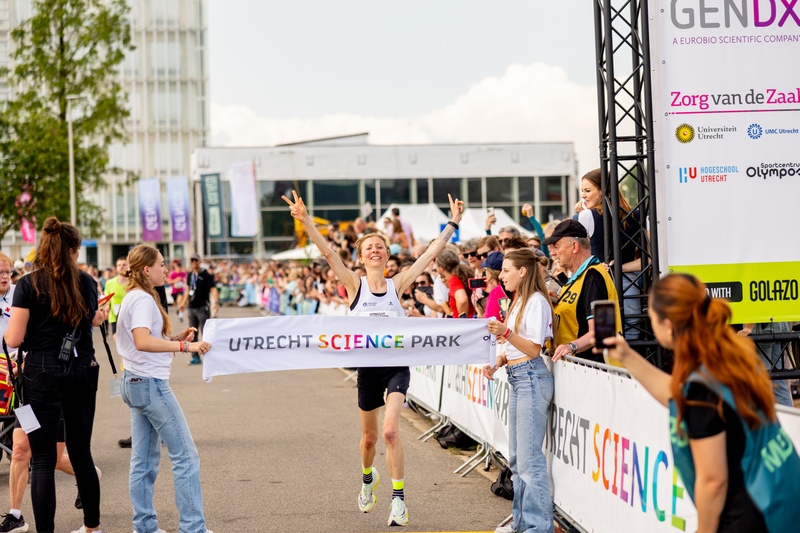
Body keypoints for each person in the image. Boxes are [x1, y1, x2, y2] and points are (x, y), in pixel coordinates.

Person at [284, 189, 463, 527]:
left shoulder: (398, 284)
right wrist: (305, 219)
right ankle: (368, 478)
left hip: (396, 367)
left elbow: (429, 254)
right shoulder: (355, 284)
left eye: (380, 246)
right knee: (369, 439)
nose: (376, 250)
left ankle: (398, 502)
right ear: (362, 258)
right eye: (369, 248)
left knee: (391, 431)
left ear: (386, 254)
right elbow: (327, 252)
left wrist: (452, 222)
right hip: (368, 370)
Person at [603, 274, 800, 533]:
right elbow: (679, 394)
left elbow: (713, 481)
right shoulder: (724, 355)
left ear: (668, 326)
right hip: (781, 498)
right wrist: (628, 357)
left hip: (754, 514)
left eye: (651, 316)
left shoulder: (701, 387)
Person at [4, 217, 108, 533]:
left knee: (45, 459)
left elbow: (13, 339)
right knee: (81, 453)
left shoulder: (28, 284)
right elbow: (89, 320)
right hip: (81, 370)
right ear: (74, 251)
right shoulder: (87, 282)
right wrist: (97, 316)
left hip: (41, 373)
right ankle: (92, 526)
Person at [116, 245, 213, 533]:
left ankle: (144, 527)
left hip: (135, 381)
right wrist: (185, 345)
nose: (166, 269)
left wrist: (173, 338)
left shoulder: (136, 297)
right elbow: (143, 341)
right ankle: (193, 528)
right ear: (147, 269)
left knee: (144, 461)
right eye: (161, 264)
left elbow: (144, 340)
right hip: (148, 384)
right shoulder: (143, 299)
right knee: (185, 456)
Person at [483, 249, 555, 533]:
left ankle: (538, 527)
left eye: (507, 271)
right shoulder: (520, 301)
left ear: (522, 272)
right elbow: (516, 347)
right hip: (519, 377)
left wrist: (506, 333)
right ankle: (523, 523)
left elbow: (534, 349)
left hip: (530, 379)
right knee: (517, 459)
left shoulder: (536, 301)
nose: (502, 276)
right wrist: (499, 361)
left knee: (528, 460)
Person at [574, 168, 644, 339]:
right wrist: (620, 267)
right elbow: (647, 261)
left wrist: (577, 214)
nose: (583, 195)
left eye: (588, 190)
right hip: (631, 285)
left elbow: (572, 250)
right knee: (632, 340)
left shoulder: (586, 216)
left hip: (601, 288)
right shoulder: (636, 215)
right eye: (582, 191)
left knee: (607, 342)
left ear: (602, 191)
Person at [543, 219, 621, 364]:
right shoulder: (581, 276)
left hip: (596, 370)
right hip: (580, 369)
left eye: (557, 246)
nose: (553, 253)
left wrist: (572, 346)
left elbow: (602, 330)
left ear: (574, 246)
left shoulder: (594, 277)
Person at [180, 254, 218, 365]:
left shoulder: (206, 274)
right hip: (192, 307)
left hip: (202, 307)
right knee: (193, 333)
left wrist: (215, 302)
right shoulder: (190, 275)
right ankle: (195, 356)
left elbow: (213, 289)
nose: (194, 262)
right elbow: (188, 290)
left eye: (196, 260)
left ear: (200, 261)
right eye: (192, 260)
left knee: (205, 332)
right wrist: (183, 302)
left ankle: (210, 355)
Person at [435, 250, 475, 318]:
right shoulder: (459, 275)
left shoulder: (453, 280)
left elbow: (462, 300)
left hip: (465, 324)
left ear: (441, 268)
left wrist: (462, 319)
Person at [104, 256, 129, 341]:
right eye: (119, 265)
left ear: (128, 267)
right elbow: (106, 298)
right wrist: (106, 307)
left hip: (129, 315)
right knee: (116, 337)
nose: (121, 266)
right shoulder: (109, 283)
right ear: (116, 268)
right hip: (114, 316)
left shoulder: (133, 282)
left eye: (124, 265)